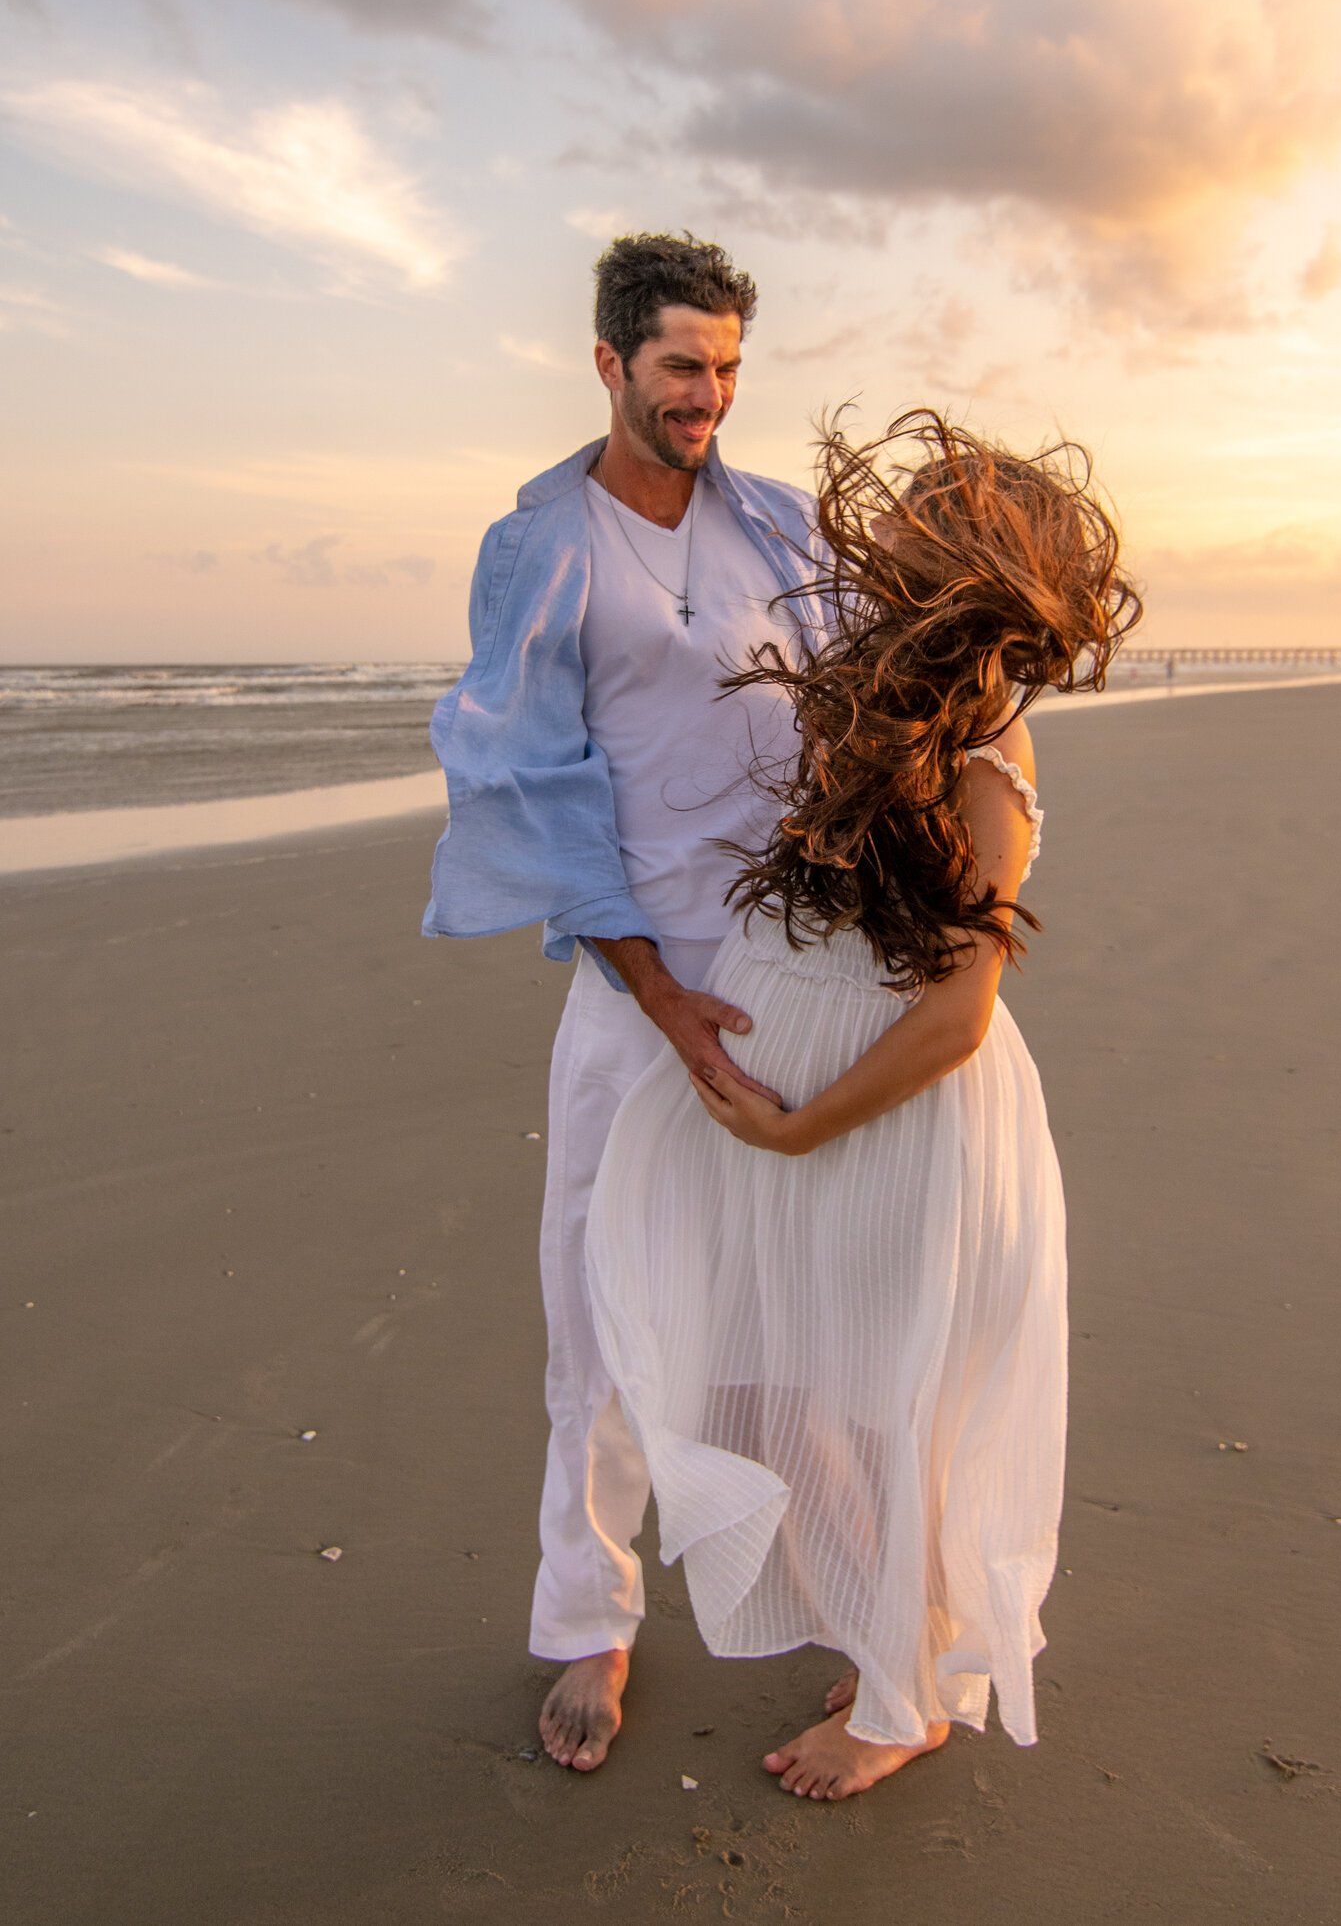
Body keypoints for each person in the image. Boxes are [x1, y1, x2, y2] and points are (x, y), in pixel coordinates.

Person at [584, 412, 1141, 1801]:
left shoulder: (985, 737)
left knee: (868, 1396)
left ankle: (904, 1697)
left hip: (881, 1120)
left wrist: (801, 1123)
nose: (889, 518)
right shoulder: (874, 696)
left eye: (929, 504)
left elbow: (960, 1011)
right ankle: (910, 1625)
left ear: (975, 552)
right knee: (789, 1379)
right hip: (812, 1108)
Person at [422, 233, 824, 1772]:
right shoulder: (545, 545)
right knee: (595, 1309)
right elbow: (527, 786)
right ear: (608, 363)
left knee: (800, 1301)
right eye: (679, 367)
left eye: (726, 367)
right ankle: (590, 1617)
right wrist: (658, 996)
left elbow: (853, 713)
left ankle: (825, 1589)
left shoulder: (780, 524)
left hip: (797, 977)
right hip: (635, 990)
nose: (709, 395)